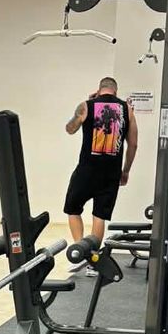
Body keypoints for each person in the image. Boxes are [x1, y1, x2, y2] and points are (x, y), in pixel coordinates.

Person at [63, 77, 137, 269]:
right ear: (115, 91)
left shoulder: (86, 106)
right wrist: (125, 171)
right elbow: (133, 144)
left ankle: (80, 250)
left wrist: (83, 109)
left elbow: (70, 129)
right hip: (111, 173)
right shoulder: (127, 109)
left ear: (99, 89)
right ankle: (93, 259)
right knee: (99, 215)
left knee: (73, 209)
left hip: (86, 170)